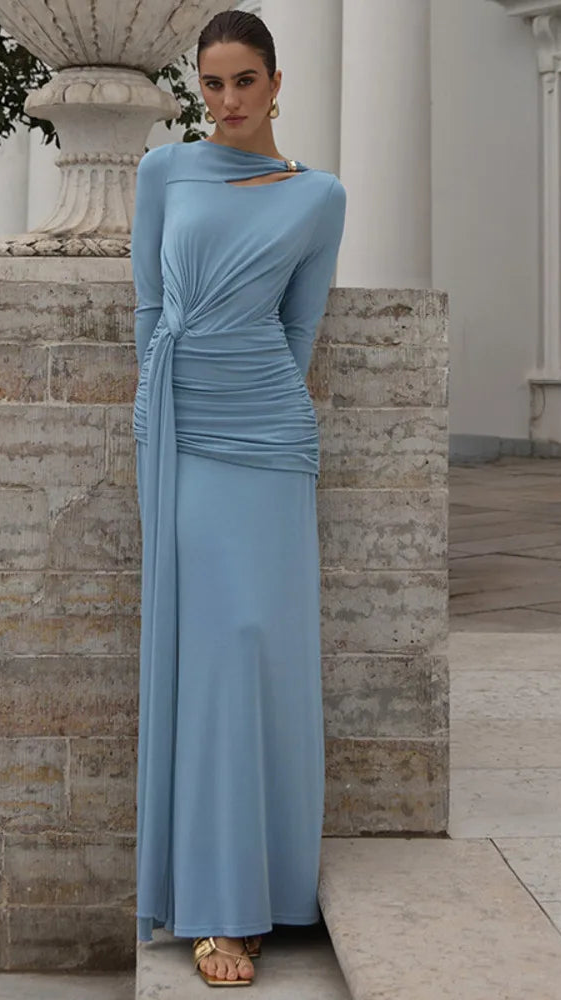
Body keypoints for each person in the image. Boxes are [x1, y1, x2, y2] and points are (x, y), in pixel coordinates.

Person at [131, 9, 346, 988]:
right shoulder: (162, 174)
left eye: (243, 82)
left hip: (266, 436)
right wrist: (164, 421)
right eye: (211, 84)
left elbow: (300, 330)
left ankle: (267, 893)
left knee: (260, 646)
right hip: (183, 435)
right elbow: (148, 310)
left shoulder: (320, 197)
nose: (226, 103)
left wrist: (255, 407)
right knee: (210, 653)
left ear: (274, 82)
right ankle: (217, 904)